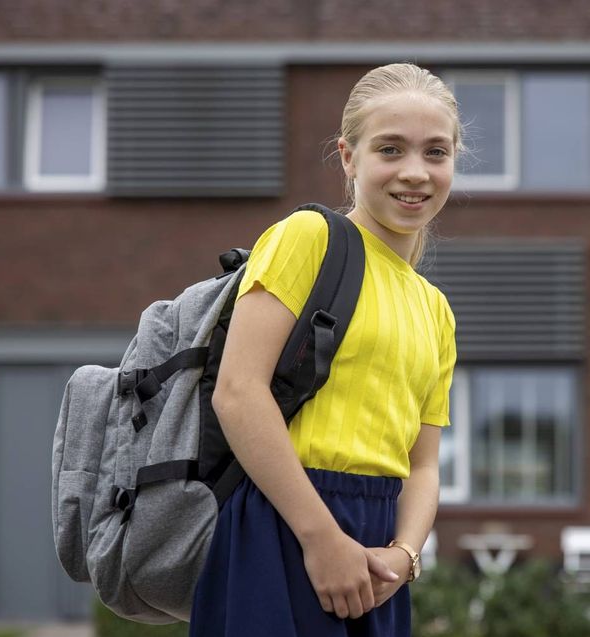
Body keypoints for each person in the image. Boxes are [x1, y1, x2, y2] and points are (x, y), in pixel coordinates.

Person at [188, 62, 462, 637]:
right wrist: (320, 537)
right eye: (391, 149)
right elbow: (238, 393)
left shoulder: (435, 309)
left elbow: (424, 462)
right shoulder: (308, 238)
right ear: (348, 157)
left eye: (435, 152)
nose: (415, 172)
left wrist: (405, 555)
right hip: (281, 522)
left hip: (379, 548)